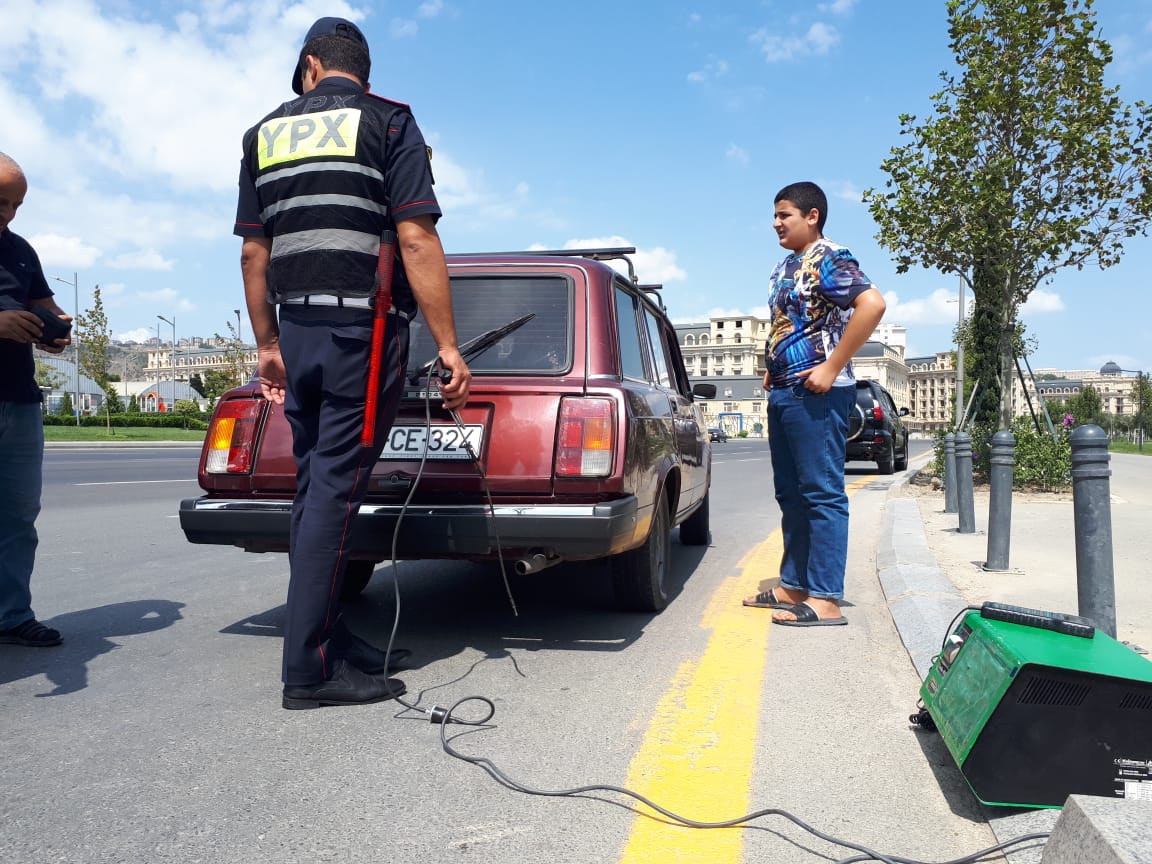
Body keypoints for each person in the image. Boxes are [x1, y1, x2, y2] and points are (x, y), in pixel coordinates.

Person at [235, 17, 471, 708]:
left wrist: (268, 344)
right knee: (336, 494)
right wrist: (449, 346)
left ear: (310, 66)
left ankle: (329, 636)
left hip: (298, 330)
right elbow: (416, 236)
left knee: (313, 489)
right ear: (357, 70)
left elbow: (254, 252)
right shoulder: (389, 121)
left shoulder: (264, 134)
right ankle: (309, 670)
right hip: (358, 334)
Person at [743, 181, 885, 627]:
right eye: (775, 215)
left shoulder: (831, 258)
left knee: (822, 493)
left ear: (812, 216)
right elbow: (790, 320)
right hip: (785, 389)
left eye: (784, 214)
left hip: (820, 392)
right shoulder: (785, 265)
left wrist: (831, 365)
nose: (776, 223)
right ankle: (794, 585)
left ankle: (826, 598)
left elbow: (872, 305)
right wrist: (772, 361)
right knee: (791, 494)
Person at [0, 152, 72, 648]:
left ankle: (11, 616)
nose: (7, 212)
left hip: (19, 402)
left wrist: (54, 329)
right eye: (0, 201)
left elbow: (46, 307)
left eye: (16, 204)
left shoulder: (21, 251)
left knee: (18, 517)